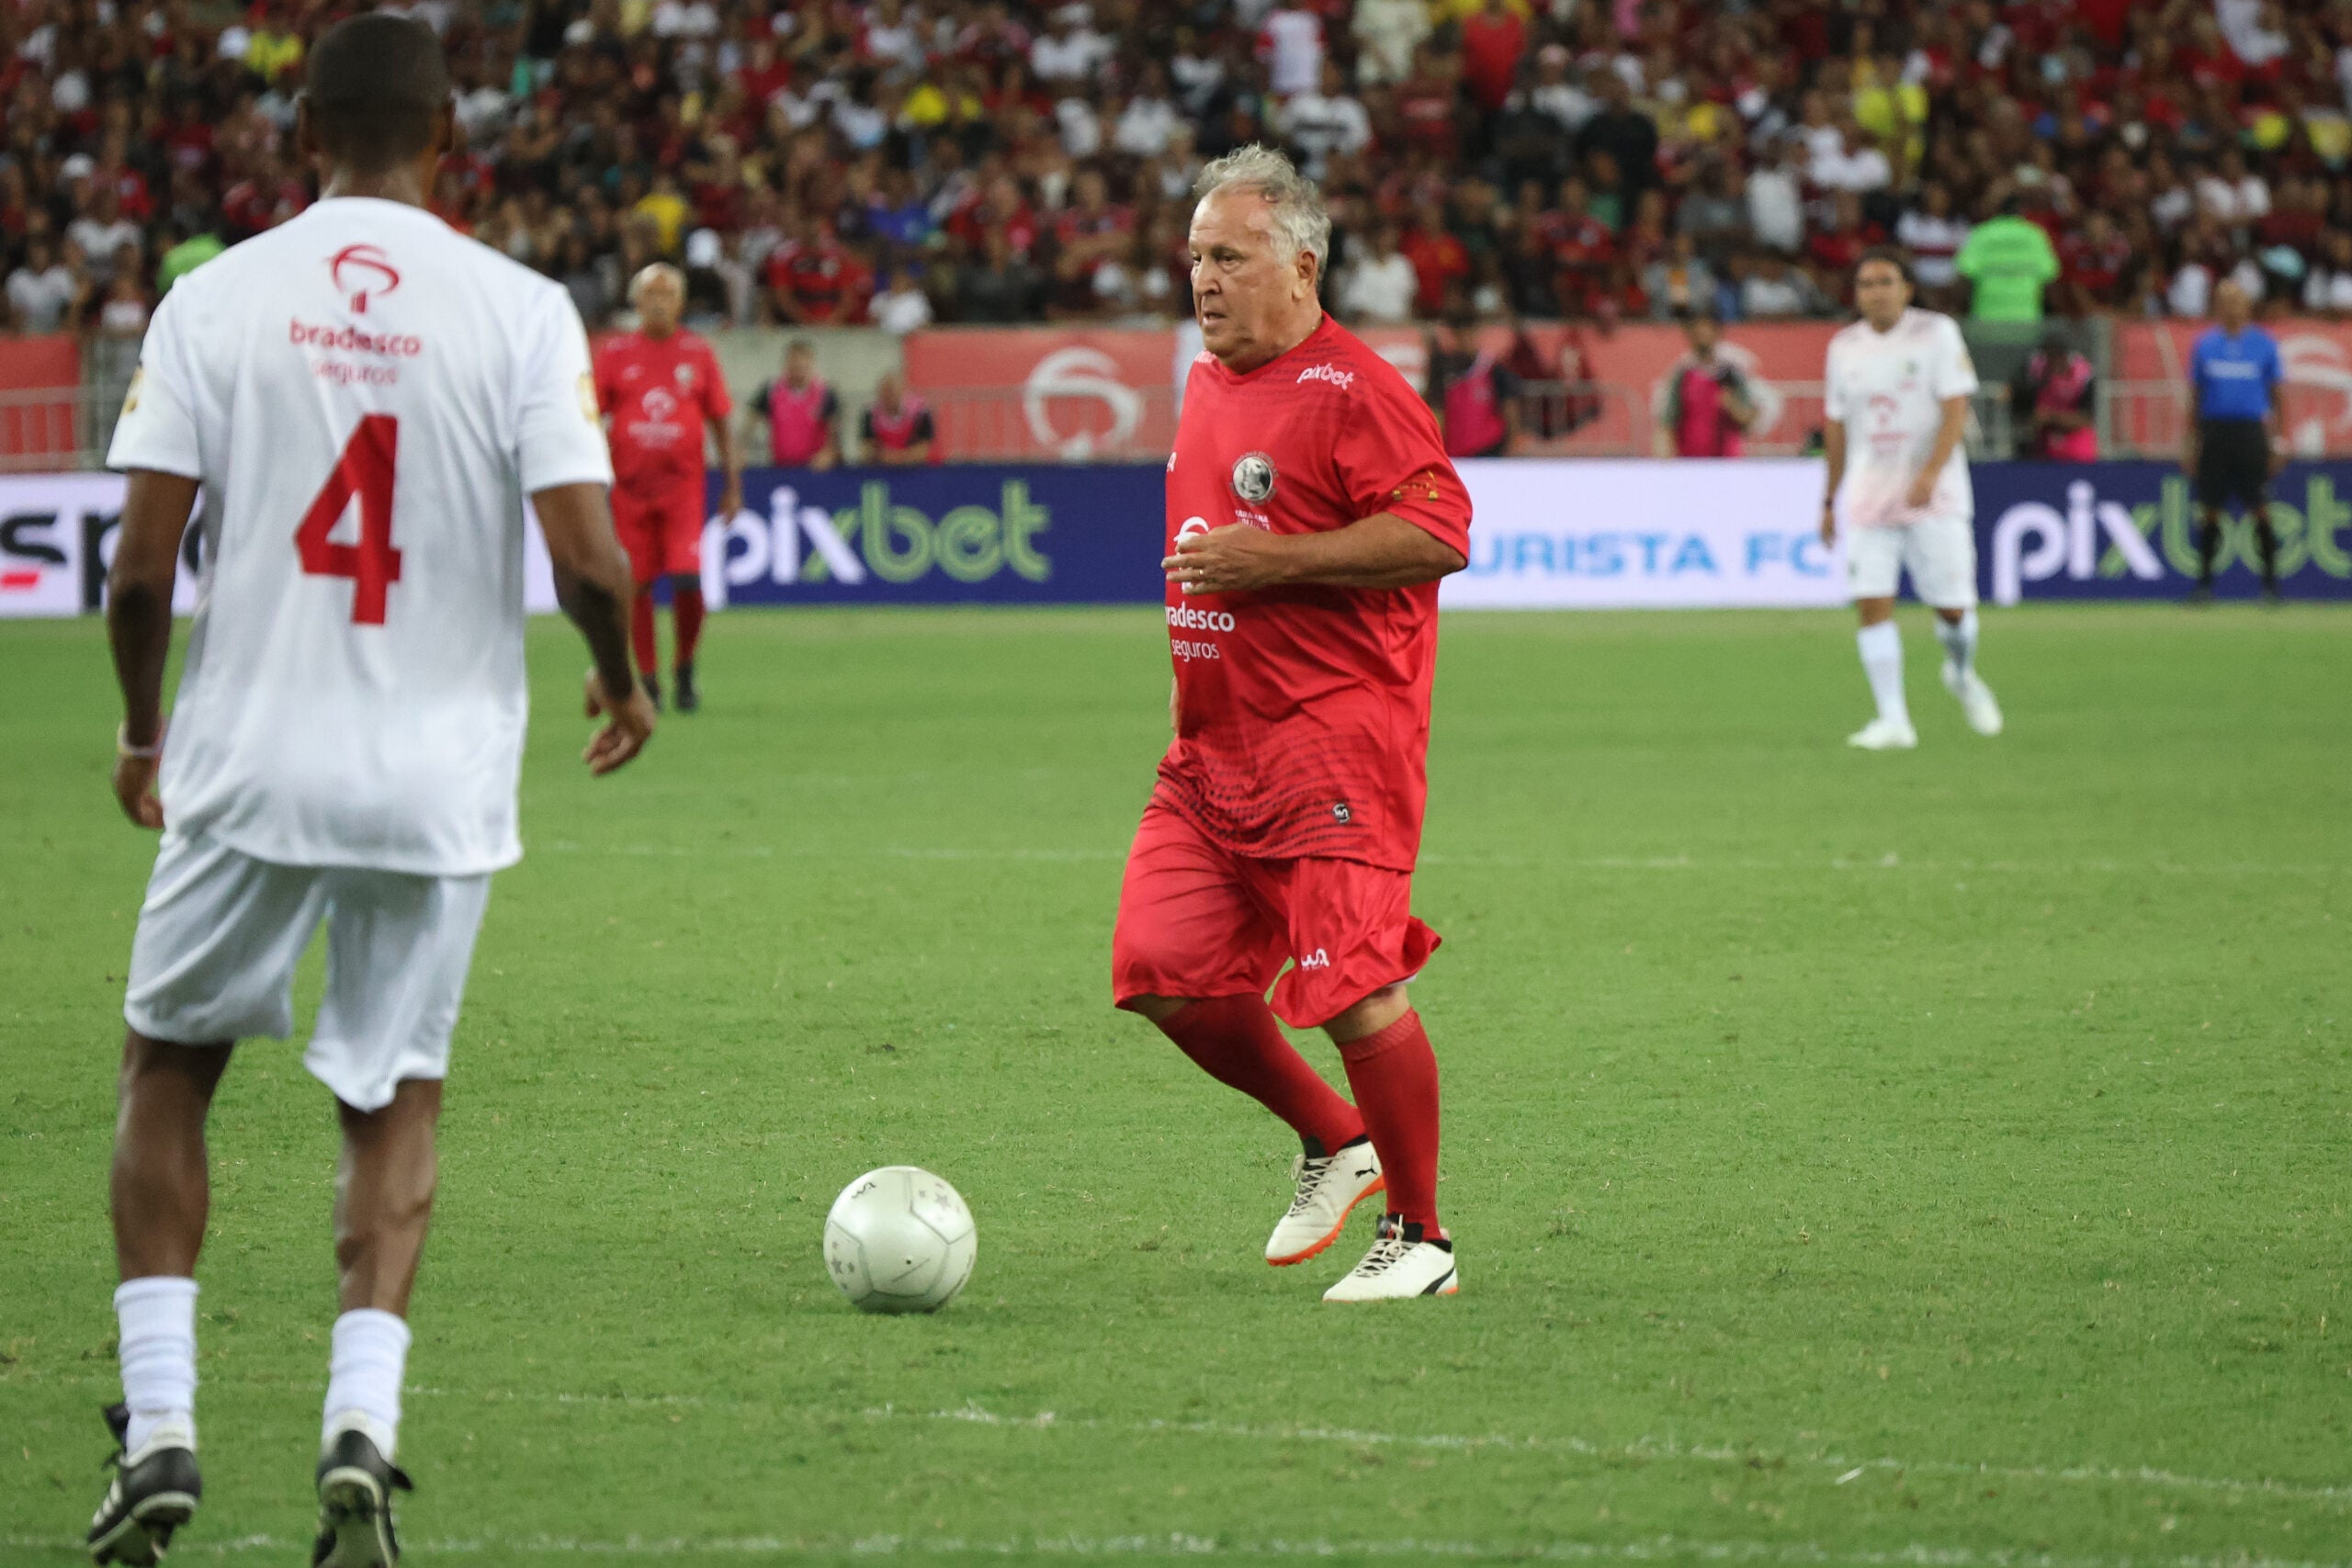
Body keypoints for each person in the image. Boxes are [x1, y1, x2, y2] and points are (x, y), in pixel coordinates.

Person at [88, 16, 654, 1567]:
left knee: (169, 1066)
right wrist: (621, 677)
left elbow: (140, 573)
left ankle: (160, 1426)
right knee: (393, 1089)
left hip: (250, 756)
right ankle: (361, 1425)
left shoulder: (215, 299)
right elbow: (593, 557)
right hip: (434, 775)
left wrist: (144, 732)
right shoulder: (523, 309)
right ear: (451, 135)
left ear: (299, 133)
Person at [1114, 145, 1472, 1303]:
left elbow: (1441, 532)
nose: (1203, 281)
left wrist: (1278, 565)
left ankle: (1421, 1240)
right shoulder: (1208, 378)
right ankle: (1336, 1137)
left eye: (1229, 256)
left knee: (1355, 986)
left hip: (1334, 740)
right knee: (1161, 971)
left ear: (1302, 266)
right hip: (1212, 748)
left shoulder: (1356, 388)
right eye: (1194, 258)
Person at [1819, 248, 2003, 750]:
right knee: (1872, 604)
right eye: (1865, 284)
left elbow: (1955, 410)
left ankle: (1961, 674)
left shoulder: (1935, 334)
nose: (1875, 292)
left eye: (1885, 282)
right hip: (1870, 497)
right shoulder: (1843, 348)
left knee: (1953, 610)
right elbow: (1836, 429)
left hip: (1934, 496)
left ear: (1906, 289)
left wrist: (1929, 472)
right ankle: (1894, 719)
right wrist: (1829, 500)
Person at [594, 263, 741, 712]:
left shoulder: (699, 354)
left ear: (680, 303)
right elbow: (587, 417)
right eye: (650, 294)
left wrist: (732, 486)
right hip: (630, 492)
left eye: (667, 294)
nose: (658, 302)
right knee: (636, 586)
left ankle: (686, 666)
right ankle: (651, 679)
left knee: (688, 579)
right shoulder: (614, 354)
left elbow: (720, 424)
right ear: (636, 303)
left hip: (682, 492)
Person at [2184, 279, 2286, 604]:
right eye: (2223, 301)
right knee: (2209, 510)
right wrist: (2189, 443)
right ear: (2216, 307)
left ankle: (2270, 585)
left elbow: (2279, 396)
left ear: (2247, 306)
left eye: (2236, 301)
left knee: (2261, 510)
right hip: (2215, 433)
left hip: (2250, 433)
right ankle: (2204, 585)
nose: (2230, 307)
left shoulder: (2264, 345)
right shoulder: (2205, 346)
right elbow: (2195, 398)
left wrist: (2279, 440)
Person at [1655, 310, 1755, 457]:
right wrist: (1664, 460)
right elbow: (1667, 421)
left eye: (1707, 331)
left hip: (1727, 463)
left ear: (1717, 334)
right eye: (1697, 332)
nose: (1702, 336)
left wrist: (1732, 405)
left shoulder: (1731, 375)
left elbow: (1748, 420)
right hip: (1690, 462)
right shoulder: (1683, 375)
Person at [1427, 299, 1520, 458]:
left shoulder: (1492, 368)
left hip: (1490, 452)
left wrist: (1511, 445)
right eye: (1461, 334)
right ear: (1454, 335)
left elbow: (1509, 406)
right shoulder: (1442, 369)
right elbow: (1436, 410)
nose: (1467, 339)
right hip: (1455, 454)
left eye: (1470, 332)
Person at [1952, 196, 2060, 323]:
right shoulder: (2035, 234)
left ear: (1997, 210)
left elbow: (1964, 272)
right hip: (2026, 320)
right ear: (2022, 211)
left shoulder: (1982, 232)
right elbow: (2050, 272)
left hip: (1986, 319)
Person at [746, 339, 840, 470]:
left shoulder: (826, 393)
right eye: (794, 365)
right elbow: (749, 423)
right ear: (786, 364)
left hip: (813, 470)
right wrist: (741, 449)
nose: (798, 369)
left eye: (803, 365)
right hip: (779, 468)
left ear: (811, 364)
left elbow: (834, 436)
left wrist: (828, 453)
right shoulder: (771, 390)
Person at [2009, 329, 2098, 461]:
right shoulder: (2035, 375)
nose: (2053, 360)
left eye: (2057, 355)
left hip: (2077, 451)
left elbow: (2086, 418)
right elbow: (2024, 415)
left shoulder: (2083, 376)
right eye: (2049, 355)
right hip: (2043, 451)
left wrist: (2051, 417)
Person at [860, 370, 939, 465]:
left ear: (902, 390)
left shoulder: (921, 412)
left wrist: (900, 457)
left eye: (890, 391)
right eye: (883, 391)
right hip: (882, 468)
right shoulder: (870, 414)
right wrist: (881, 455)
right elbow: (866, 448)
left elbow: (925, 448)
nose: (887, 396)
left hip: (916, 469)